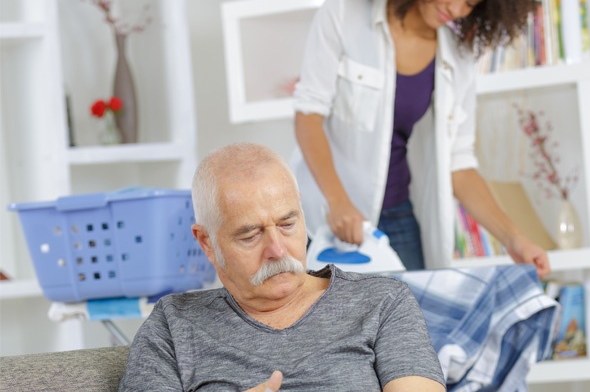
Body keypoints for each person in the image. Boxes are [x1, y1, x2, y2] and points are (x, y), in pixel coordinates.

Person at [291, 0, 551, 276]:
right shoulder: (345, 12)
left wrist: (515, 239)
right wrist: (338, 201)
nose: (456, 9)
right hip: (322, 213)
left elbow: (460, 163)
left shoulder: (459, 56)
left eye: (470, 3)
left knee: (416, 322)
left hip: (397, 212)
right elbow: (309, 115)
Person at [119, 143, 446, 392]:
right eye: (250, 234)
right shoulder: (173, 324)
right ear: (206, 242)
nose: (277, 250)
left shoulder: (383, 302)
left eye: (287, 224)